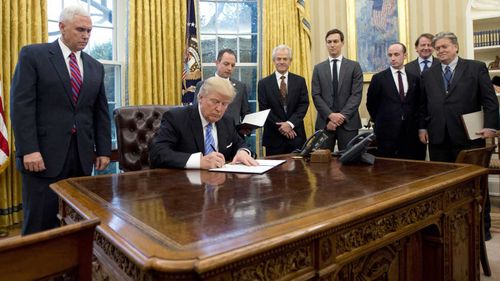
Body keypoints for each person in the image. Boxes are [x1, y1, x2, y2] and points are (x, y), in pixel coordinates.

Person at [10, 5, 111, 235]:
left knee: (77, 221)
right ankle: (39, 270)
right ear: (62, 28)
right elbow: (21, 106)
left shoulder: (95, 67)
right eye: (80, 29)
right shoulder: (33, 55)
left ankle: (73, 268)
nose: (86, 35)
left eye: (89, 31)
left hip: (82, 156)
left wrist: (103, 149)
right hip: (42, 156)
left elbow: (100, 111)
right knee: (40, 223)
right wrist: (29, 149)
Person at [418, 31, 499, 161]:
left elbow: (490, 100)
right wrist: (422, 128)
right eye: (437, 48)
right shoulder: (428, 74)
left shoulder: (476, 68)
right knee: (442, 178)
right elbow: (423, 104)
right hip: (438, 137)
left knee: (469, 178)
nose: (440, 50)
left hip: (468, 135)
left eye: (445, 46)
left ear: (456, 47)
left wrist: (490, 126)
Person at [150, 76, 258, 169]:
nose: (219, 109)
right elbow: (157, 153)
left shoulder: (227, 120)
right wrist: (199, 162)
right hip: (185, 186)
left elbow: (239, 143)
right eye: (215, 102)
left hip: (221, 186)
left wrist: (243, 152)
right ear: (200, 98)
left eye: (224, 104)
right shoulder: (176, 118)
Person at [366, 43, 425, 160]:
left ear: (405, 55)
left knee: (411, 167)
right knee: (388, 168)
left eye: (396, 54)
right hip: (386, 133)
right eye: (390, 55)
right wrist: (381, 120)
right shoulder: (378, 78)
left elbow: (419, 104)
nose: (392, 58)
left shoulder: (414, 79)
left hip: (410, 132)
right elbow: (371, 104)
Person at [312, 29, 363, 151]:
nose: (332, 45)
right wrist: (330, 115)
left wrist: (341, 117)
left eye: (335, 41)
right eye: (329, 42)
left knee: (349, 164)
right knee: (323, 165)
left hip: (348, 124)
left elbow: (356, 95)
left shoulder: (354, 66)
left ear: (342, 43)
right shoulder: (318, 68)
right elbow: (316, 95)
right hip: (325, 124)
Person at [257, 45, 309, 156]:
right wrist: (283, 127)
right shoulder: (263, 84)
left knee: (298, 172)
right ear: (273, 61)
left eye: (285, 59)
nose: (281, 62)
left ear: (290, 61)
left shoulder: (300, 81)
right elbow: (264, 109)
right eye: (278, 59)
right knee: (274, 173)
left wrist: (290, 124)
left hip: (295, 136)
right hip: (274, 138)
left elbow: (303, 105)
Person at [194, 49, 251, 136]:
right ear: (217, 63)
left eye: (233, 65)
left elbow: (245, 112)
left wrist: (247, 128)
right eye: (226, 64)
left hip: (234, 136)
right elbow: (195, 110)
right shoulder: (202, 85)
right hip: (208, 134)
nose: (229, 68)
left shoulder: (241, 87)